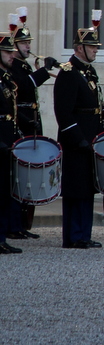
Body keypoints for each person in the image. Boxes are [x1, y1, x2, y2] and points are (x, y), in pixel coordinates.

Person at [54, 15, 104, 249]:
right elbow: (63, 113)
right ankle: (73, 236)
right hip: (76, 141)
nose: (95, 50)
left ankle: (84, 233)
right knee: (75, 189)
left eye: (96, 46)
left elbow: (95, 107)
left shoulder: (88, 73)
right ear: (79, 47)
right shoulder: (69, 72)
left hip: (91, 139)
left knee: (87, 188)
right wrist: (78, 139)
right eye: (92, 46)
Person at [6, 8, 60, 240]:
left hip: (31, 122)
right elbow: (26, 86)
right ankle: (13, 223)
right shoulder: (13, 67)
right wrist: (45, 71)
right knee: (17, 176)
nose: (28, 47)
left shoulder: (26, 66)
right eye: (24, 43)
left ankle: (22, 223)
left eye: (29, 43)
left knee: (28, 177)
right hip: (20, 122)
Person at [0, 32, 23, 254]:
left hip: (8, 137)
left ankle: (3, 236)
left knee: (7, 190)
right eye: (7, 52)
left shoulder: (6, 77)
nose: (12, 55)